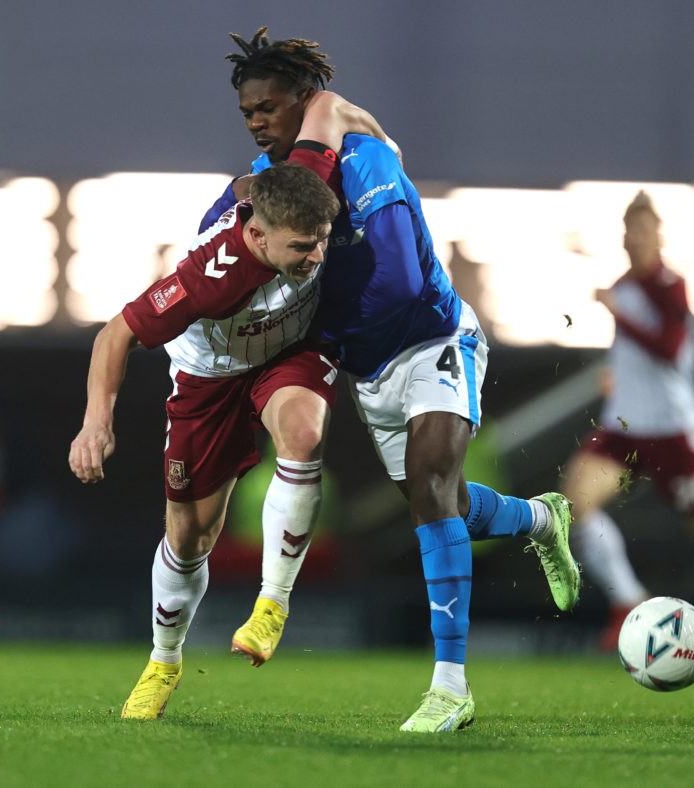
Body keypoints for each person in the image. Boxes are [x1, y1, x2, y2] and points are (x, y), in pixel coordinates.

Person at [204, 28, 581, 733]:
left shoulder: (363, 158)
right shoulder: (268, 181)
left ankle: (451, 688)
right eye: (248, 111)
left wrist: (317, 323)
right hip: (368, 372)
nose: (258, 121)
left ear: (305, 102)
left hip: (433, 338)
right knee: (444, 501)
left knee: (431, 493)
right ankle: (538, 516)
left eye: (270, 106)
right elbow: (215, 241)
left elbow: (404, 280)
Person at [68, 162, 344, 719]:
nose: (316, 257)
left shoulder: (301, 201)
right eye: (301, 247)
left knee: (304, 433)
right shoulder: (209, 275)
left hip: (291, 356)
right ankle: (163, 663)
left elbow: (322, 128)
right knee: (190, 535)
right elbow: (116, 334)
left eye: (322, 243)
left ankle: (272, 605)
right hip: (209, 379)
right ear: (257, 234)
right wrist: (97, 422)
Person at [560, 190, 694, 666]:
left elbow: (669, 350)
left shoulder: (668, 286)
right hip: (626, 428)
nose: (637, 239)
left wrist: (618, 313)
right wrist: (618, 375)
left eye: (645, 230)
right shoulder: (624, 286)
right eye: (631, 231)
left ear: (658, 237)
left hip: (676, 432)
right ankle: (628, 598)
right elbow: (639, 355)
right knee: (574, 503)